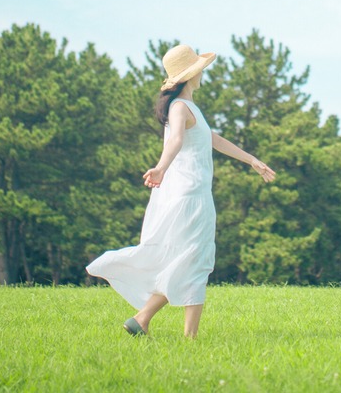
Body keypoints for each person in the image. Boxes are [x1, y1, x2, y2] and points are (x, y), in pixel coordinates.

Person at [85, 43, 276, 338]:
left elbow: (213, 138)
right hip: (190, 197)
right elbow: (174, 140)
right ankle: (188, 338)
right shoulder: (179, 108)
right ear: (189, 76)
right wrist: (160, 167)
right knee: (197, 261)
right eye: (199, 70)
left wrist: (251, 160)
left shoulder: (190, 108)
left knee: (189, 260)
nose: (203, 74)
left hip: (194, 194)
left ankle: (142, 320)